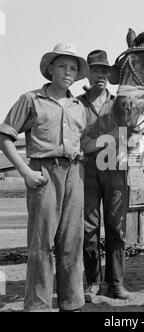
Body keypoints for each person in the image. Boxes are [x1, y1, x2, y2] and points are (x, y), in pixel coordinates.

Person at [0, 42, 89, 312]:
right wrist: (26, 172)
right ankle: (37, 306)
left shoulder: (78, 106)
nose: (68, 71)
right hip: (44, 173)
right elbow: (4, 136)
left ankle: (71, 303)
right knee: (41, 244)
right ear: (50, 68)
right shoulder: (31, 99)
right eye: (62, 65)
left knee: (73, 242)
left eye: (73, 67)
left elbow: (83, 143)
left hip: (75, 172)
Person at [78, 50, 130, 301]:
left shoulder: (121, 102)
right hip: (85, 173)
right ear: (87, 73)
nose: (100, 74)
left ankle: (116, 283)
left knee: (117, 229)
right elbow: (78, 141)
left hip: (116, 173)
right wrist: (110, 138)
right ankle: (93, 282)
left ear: (109, 74)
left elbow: (129, 136)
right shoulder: (76, 104)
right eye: (95, 70)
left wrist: (95, 141)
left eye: (104, 70)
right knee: (88, 229)